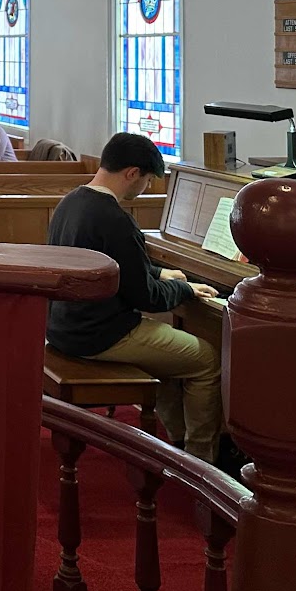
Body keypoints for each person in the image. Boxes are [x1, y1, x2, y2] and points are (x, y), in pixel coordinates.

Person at [46, 133, 222, 463]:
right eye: (147, 180)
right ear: (132, 173)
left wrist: (159, 272)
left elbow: (114, 264)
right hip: (100, 334)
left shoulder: (71, 202)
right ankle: (202, 459)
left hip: (63, 326)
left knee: (171, 354)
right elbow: (147, 298)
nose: (145, 187)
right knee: (206, 360)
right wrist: (186, 289)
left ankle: (176, 439)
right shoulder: (115, 219)